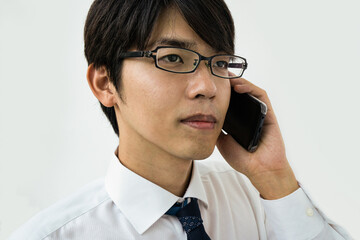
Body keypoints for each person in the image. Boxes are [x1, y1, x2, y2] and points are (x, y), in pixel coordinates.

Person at [8, 0, 352, 239]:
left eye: (219, 63)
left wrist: (276, 178)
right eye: (172, 57)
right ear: (105, 83)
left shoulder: (260, 200)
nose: (207, 87)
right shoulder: (54, 235)